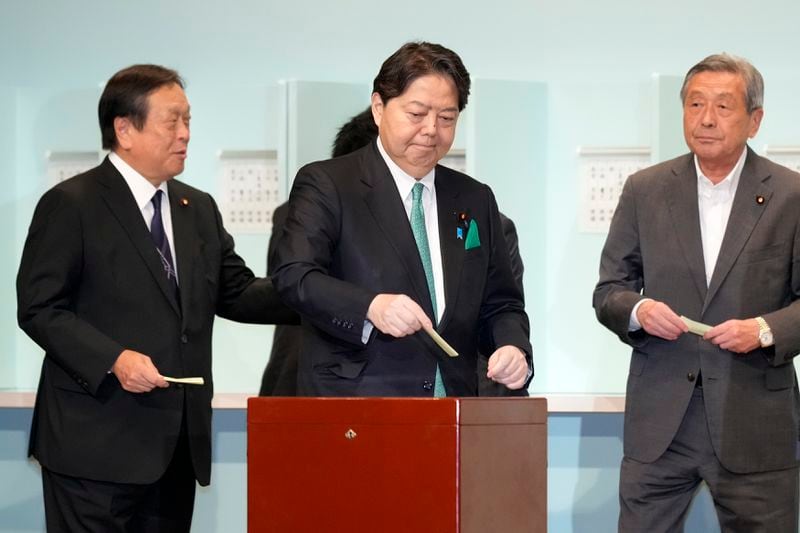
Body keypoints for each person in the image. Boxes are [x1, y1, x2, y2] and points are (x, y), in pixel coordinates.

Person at [16, 64, 295, 532]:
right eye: (172, 121)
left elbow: (240, 292)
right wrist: (114, 358)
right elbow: (40, 308)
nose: (185, 133)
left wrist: (323, 294)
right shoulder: (73, 204)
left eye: (188, 120)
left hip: (174, 450)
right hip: (93, 449)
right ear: (124, 129)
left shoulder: (196, 207)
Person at [594, 53, 800, 532]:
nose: (706, 118)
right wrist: (639, 310)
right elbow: (609, 290)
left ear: (755, 120)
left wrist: (766, 329)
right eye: (694, 104)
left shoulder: (791, 196)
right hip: (660, 426)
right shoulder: (644, 190)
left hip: (755, 427)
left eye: (723, 106)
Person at [272, 41, 532, 397]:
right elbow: (295, 276)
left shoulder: (474, 198)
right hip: (358, 405)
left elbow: (502, 303)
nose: (430, 130)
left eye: (446, 118)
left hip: (453, 407)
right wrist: (370, 306)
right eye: (416, 114)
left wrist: (513, 348)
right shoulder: (329, 184)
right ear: (379, 108)